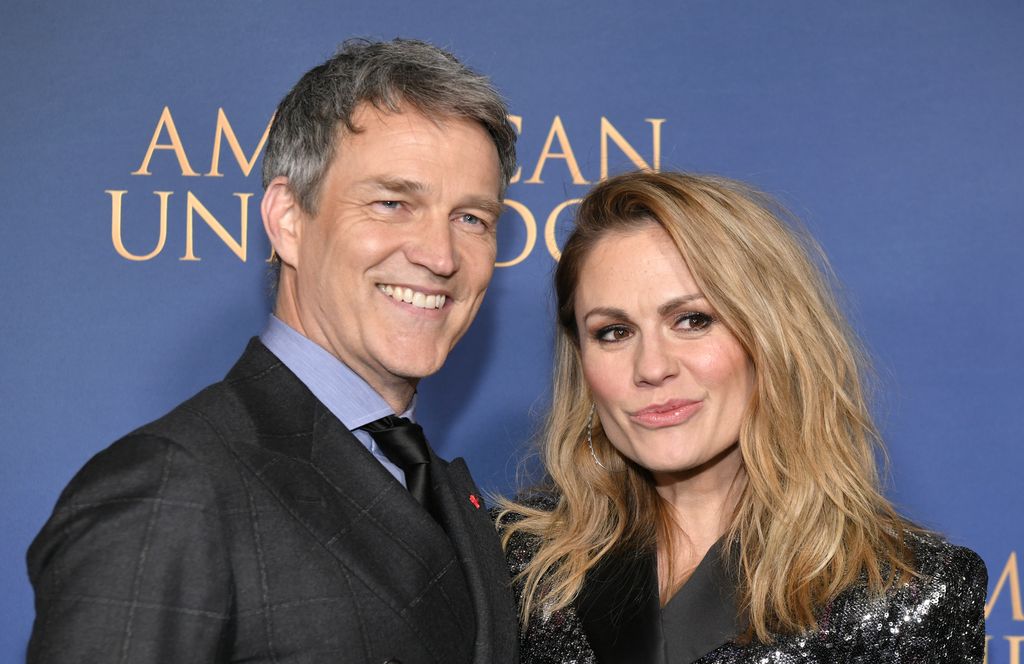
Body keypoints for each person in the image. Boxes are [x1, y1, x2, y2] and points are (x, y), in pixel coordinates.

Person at [28, 38, 518, 664]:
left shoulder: (456, 499)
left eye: (472, 218)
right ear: (288, 219)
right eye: (393, 203)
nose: (441, 255)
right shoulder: (170, 489)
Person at [496, 171, 987, 663]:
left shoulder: (908, 594)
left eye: (693, 320)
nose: (651, 368)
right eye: (614, 332)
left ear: (771, 339)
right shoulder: (515, 567)